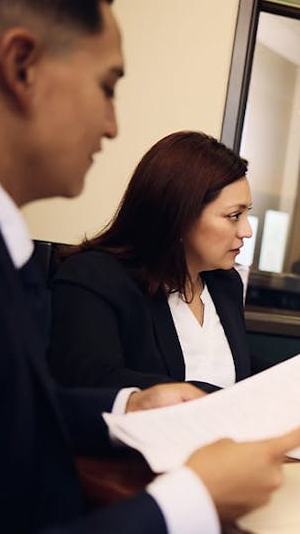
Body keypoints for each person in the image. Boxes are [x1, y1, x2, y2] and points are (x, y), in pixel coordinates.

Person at [0, 0, 300, 532]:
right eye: (107, 86)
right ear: (21, 66)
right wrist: (195, 500)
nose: (113, 126)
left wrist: (130, 406)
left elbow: (9, 421)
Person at [48, 131, 257, 392]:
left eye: (247, 213)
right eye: (234, 216)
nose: (246, 231)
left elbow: (231, 366)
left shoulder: (225, 283)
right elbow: (90, 380)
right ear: (180, 214)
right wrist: (213, 399)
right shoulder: (95, 278)